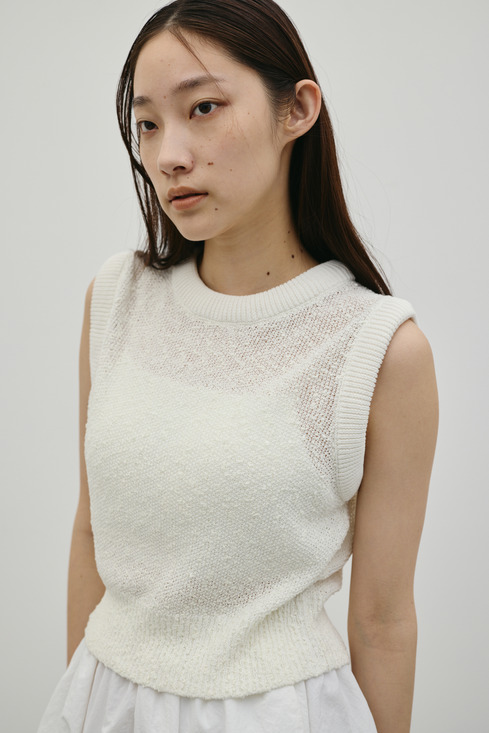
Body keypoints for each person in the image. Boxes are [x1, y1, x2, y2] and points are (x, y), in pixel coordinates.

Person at [37, 0, 438, 731]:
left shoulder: (378, 348)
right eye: (147, 123)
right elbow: (93, 533)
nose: (168, 155)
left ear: (297, 110)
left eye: (203, 108)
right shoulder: (117, 299)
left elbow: (381, 619)